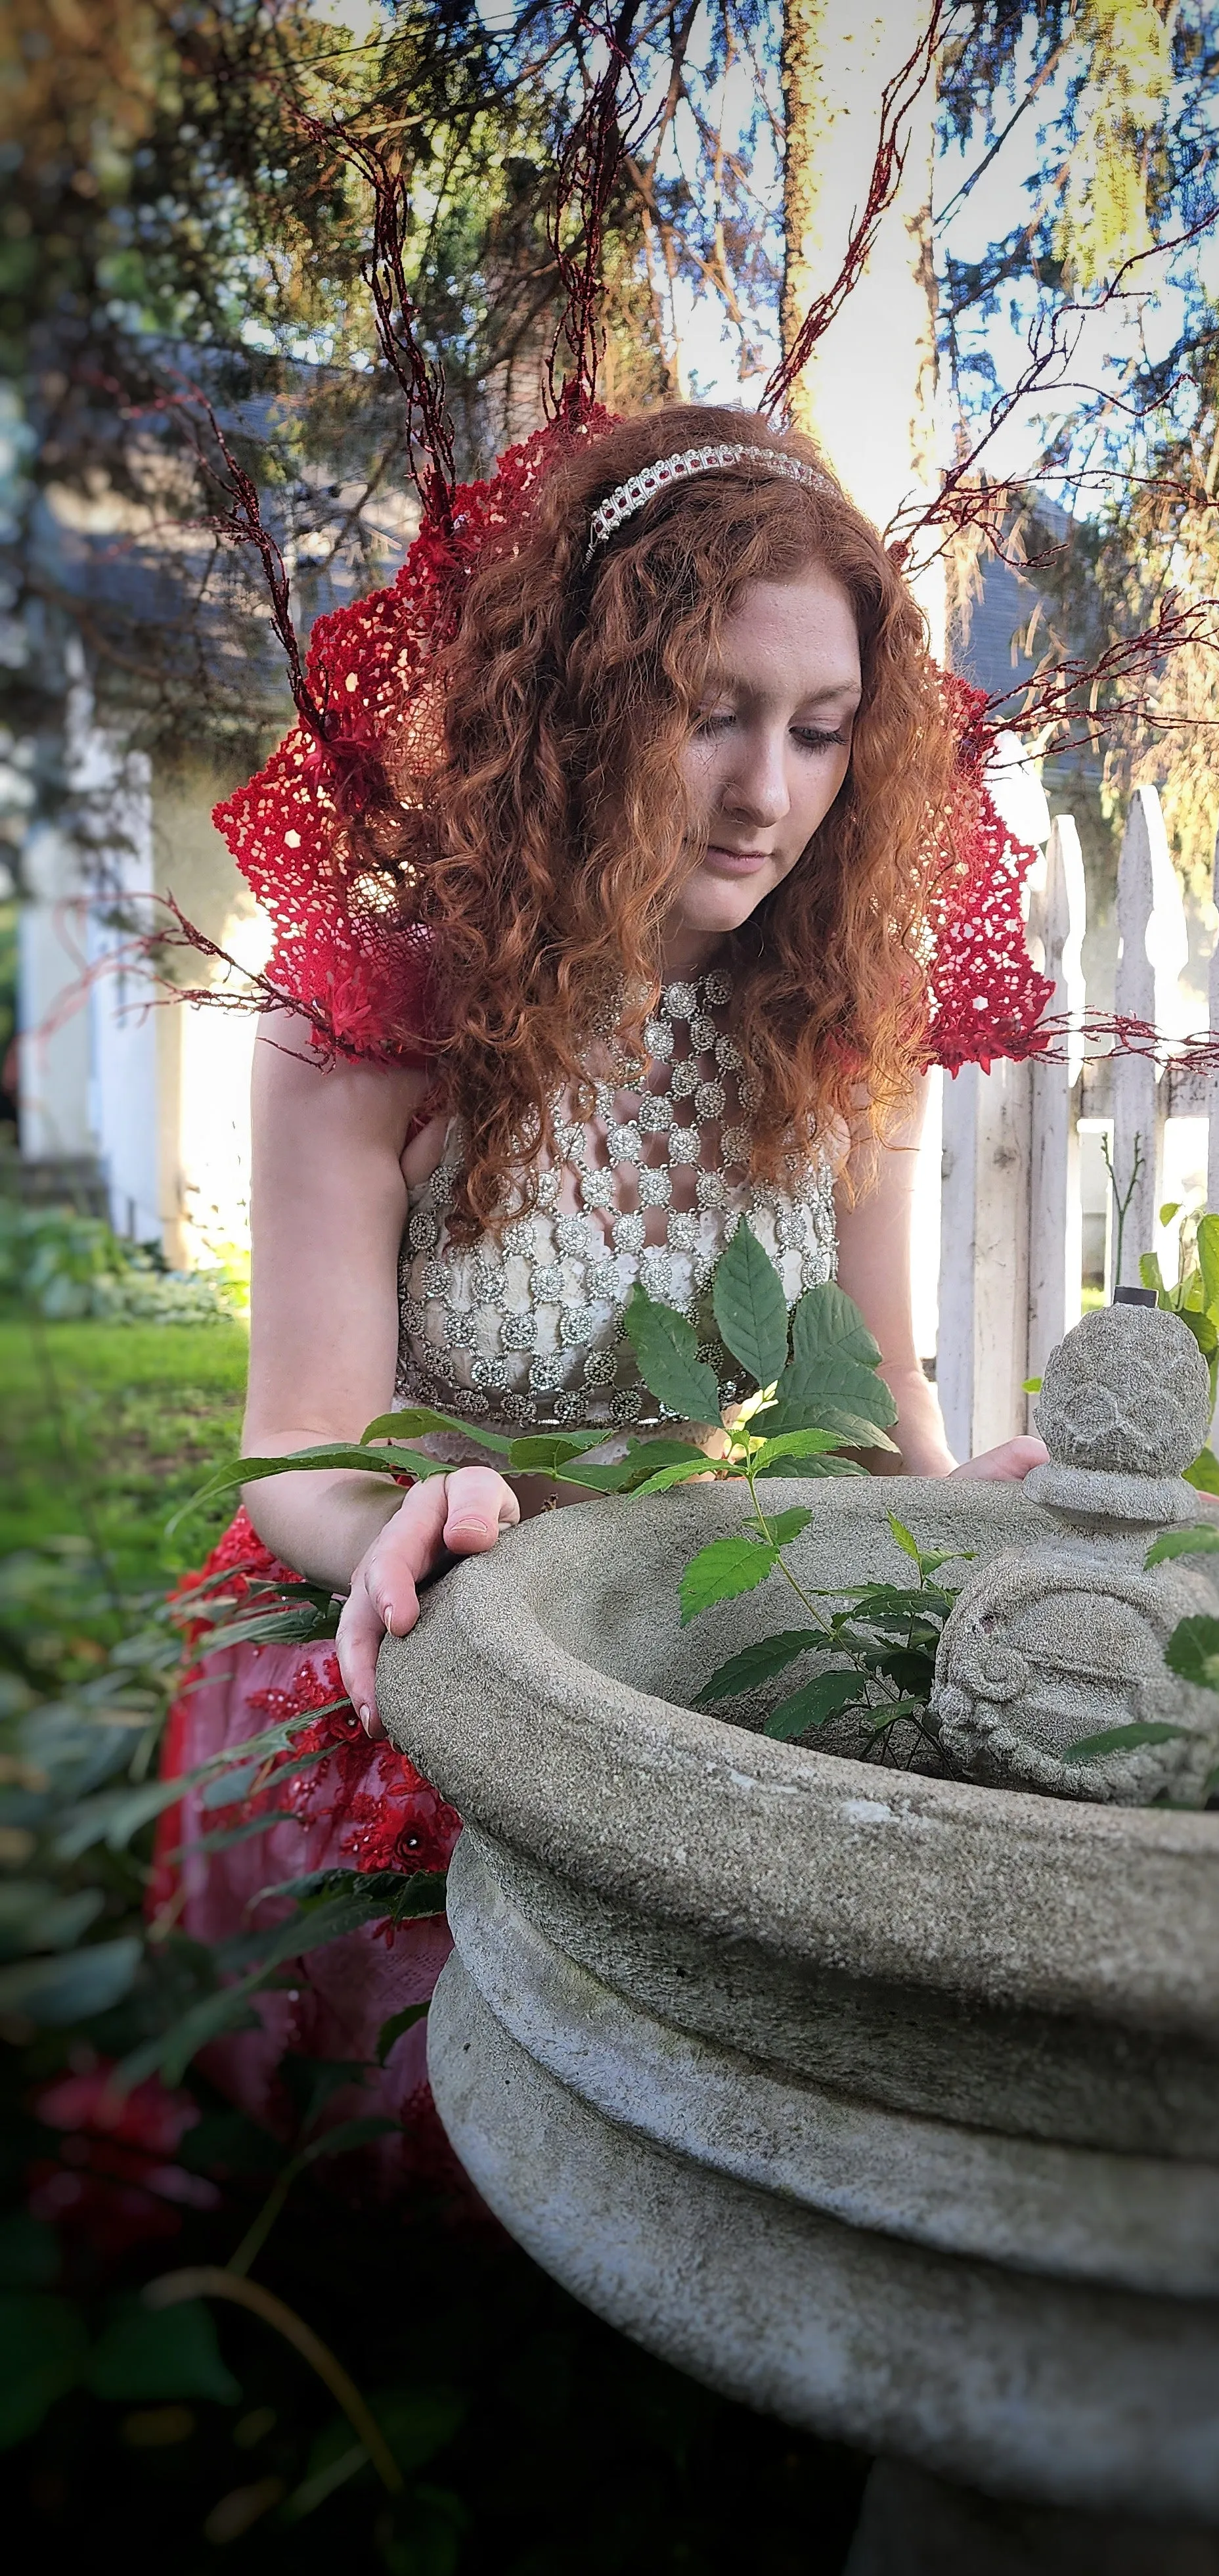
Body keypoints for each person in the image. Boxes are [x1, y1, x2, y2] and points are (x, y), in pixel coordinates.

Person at [152, 402, 1049, 2186]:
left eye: (816, 732)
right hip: (403, 1663)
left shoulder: (839, 1035)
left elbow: (868, 1433)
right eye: (706, 711)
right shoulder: (376, 1014)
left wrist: (969, 1528)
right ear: (579, 700)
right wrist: (416, 1513)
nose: (764, 792)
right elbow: (295, 1457)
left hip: (681, 1661)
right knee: (421, 2191)